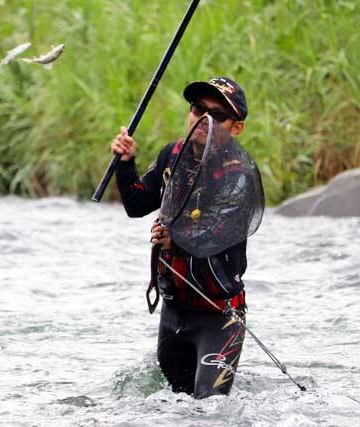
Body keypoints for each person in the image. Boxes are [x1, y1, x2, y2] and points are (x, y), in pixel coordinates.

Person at [111, 77, 260, 398]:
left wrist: (173, 239)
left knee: (209, 411)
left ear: (236, 128)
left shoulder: (239, 175)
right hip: (174, 312)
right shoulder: (172, 155)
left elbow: (217, 234)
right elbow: (137, 205)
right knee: (173, 407)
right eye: (197, 110)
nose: (203, 119)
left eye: (216, 116)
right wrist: (126, 164)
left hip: (218, 318)